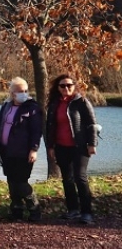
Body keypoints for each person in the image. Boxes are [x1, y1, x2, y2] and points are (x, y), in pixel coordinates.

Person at [46, 74, 98, 224]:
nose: (66, 88)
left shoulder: (81, 101)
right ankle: (73, 210)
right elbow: (50, 127)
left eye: (69, 85)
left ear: (75, 86)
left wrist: (92, 144)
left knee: (79, 178)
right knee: (67, 180)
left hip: (80, 147)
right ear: (58, 88)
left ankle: (87, 212)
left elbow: (92, 124)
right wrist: (50, 146)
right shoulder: (54, 104)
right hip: (61, 147)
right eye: (62, 86)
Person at [0, 77, 43, 221]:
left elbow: (36, 131)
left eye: (26, 91)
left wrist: (34, 149)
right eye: (20, 91)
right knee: (11, 181)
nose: (23, 94)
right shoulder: (6, 106)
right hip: (7, 151)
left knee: (21, 182)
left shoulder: (32, 108)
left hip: (24, 153)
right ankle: (16, 210)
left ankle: (34, 208)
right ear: (12, 93)